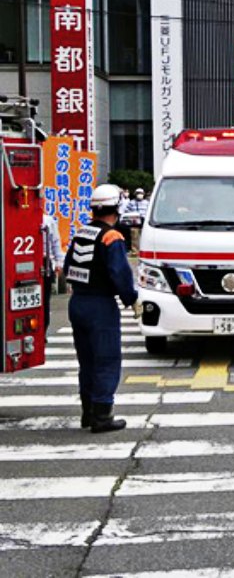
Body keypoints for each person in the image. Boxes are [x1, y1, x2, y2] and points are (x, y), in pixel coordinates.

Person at [64, 184, 140, 433]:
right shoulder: (112, 237)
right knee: (106, 360)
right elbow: (120, 273)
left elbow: (67, 268)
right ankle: (102, 415)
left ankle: (88, 412)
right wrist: (131, 299)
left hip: (78, 304)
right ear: (117, 208)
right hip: (100, 305)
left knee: (87, 361)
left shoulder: (81, 233)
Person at [41, 213, 65, 332]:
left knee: (45, 300)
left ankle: (43, 331)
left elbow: (55, 241)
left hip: (44, 261)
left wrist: (59, 262)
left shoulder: (47, 220)